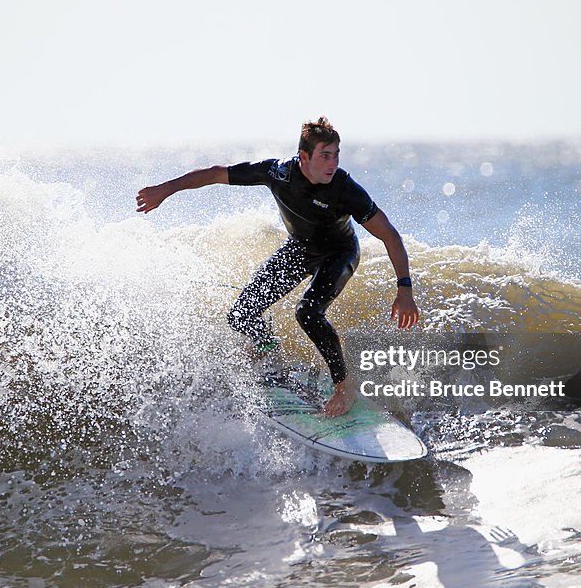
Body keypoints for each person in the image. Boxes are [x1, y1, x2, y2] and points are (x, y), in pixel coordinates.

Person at [136, 117, 419, 416]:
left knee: (307, 311)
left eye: (336, 155)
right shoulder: (278, 172)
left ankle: (344, 385)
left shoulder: (346, 190)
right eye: (325, 155)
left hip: (339, 253)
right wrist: (164, 190)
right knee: (240, 315)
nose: (332, 163)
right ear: (304, 156)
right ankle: (268, 349)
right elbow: (216, 174)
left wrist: (404, 288)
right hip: (300, 249)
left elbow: (388, 234)